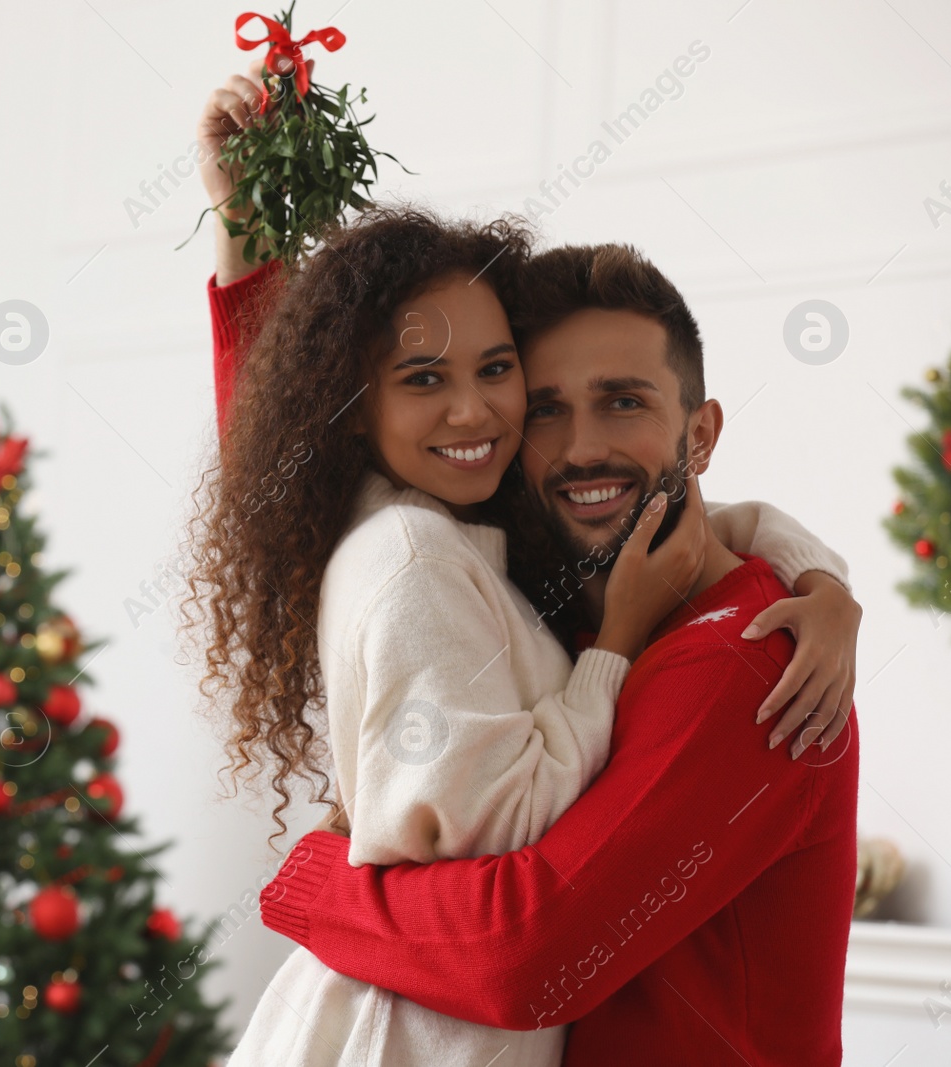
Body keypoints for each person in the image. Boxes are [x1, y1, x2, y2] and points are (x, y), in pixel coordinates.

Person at [185, 69, 861, 1067]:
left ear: (701, 432)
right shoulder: (575, 609)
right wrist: (242, 232)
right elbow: (311, 465)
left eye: (624, 399)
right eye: (541, 405)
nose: (579, 445)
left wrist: (311, 881)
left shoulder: (750, 661)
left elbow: (524, 953)